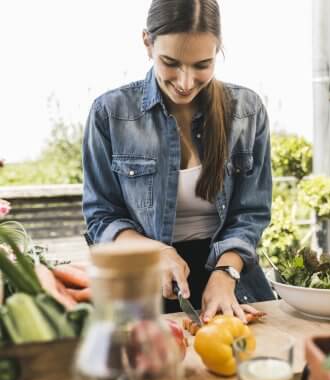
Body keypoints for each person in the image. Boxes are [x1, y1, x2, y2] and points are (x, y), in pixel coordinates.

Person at [82, 0, 275, 322]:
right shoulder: (110, 112)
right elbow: (101, 217)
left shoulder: (247, 110)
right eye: (171, 62)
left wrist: (226, 271)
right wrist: (156, 251)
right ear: (147, 43)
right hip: (140, 289)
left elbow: (251, 212)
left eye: (202, 64)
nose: (185, 82)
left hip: (232, 284)